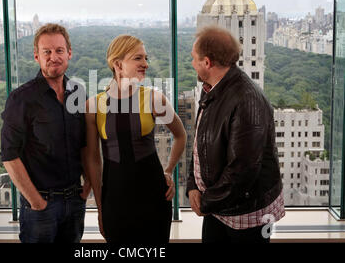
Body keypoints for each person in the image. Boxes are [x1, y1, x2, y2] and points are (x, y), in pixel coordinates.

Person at [186, 25, 285, 243]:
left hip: (246, 215)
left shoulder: (246, 101)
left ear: (207, 62)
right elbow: (199, 145)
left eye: (194, 58)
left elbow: (243, 170)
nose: (192, 64)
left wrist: (205, 201)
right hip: (219, 207)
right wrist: (193, 185)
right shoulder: (212, 89)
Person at [84, 34, 187, 243]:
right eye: (138, 58)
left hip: (154, 197)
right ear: (118, 64)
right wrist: (100, 208)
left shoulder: (154, 99)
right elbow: (93, 161)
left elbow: (181, 135)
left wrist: (168, 170)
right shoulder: (93, 106)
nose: (146, 64)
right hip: (114, 201)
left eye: (145, 58)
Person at [0, 23, 90, 243]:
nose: (53, 57)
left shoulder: (78, 93)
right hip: (40, 206)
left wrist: (86, 189)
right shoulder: (21, 98)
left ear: (69, 53)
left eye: (59, 50)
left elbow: (86, 145)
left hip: (75, 201)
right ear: (36, 56)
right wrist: (37, 202)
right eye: (46, 52)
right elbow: (9, 155)